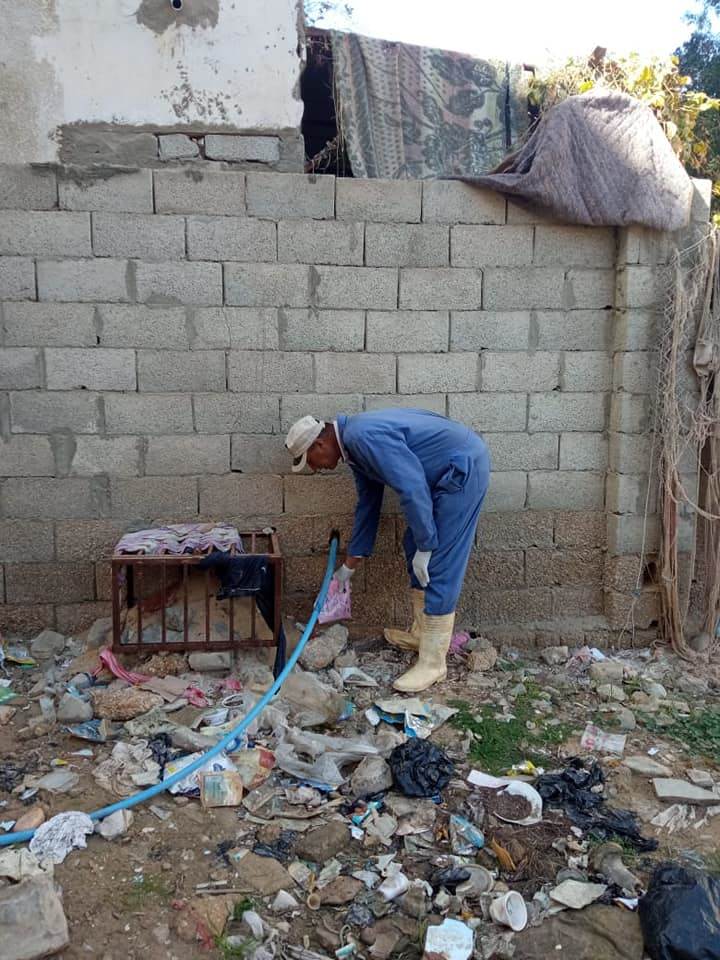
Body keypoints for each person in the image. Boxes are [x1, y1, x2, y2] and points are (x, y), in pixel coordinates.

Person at [285, 408, 490, 693]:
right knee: (413, 544)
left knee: (440, 561)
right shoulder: (354, 446)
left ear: (320, 444)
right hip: (444, 473)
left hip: (462, 469)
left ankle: (433, 663)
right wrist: (349, 565)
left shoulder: (362, 437)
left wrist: (428, 545)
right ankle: (423, 633)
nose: (314, 468)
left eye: (310, 460)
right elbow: (369, 504)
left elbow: (412, 486)